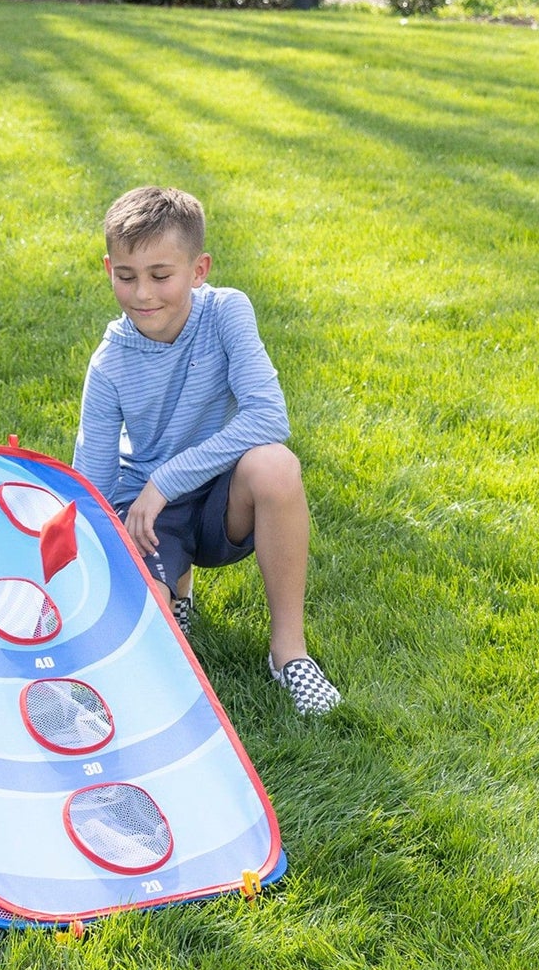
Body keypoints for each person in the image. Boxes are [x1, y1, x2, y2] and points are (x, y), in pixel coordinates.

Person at [72, 185, 341, 715]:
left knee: (276, 465)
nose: (142, 294)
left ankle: (289, 655)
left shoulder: (226, 313)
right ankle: (173, 593)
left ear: (198, 270)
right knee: (147, 651)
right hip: (148, 517)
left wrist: (165, 480)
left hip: (218, 499)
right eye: (125, 276)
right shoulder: (108, 365)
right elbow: (94, 486)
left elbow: (269, 416)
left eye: (160, 275)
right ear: (108, 268)